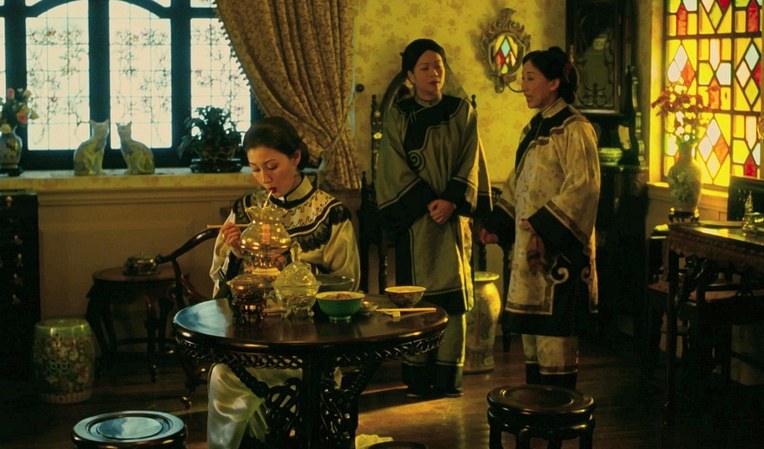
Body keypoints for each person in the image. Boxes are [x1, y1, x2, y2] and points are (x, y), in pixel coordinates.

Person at [207, 116, 361, 448]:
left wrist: (291, 267)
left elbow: (346, 286)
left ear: (296, 158)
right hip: (255, 338)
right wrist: (234, 251)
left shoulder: (329, 213)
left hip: (309, 345)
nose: (264, 178)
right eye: (255, 168)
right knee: (225, 371)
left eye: (272, 166)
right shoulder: (246, 209)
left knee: (226, 376)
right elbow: (222, 286)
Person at [376, 38, 491, 398]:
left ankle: (446, 380)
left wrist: (452, 201)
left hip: (453, 223)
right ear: (410, 75)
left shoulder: (461, 111)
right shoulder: (397, 114)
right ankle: (417, 378)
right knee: (416, 299)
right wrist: (429, 202)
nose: (433, 73)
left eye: (438, 66)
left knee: (454, 301)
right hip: (416, 222)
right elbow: (392, 165)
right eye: (424, 67)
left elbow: (471, 160)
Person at [480, 46, 600, 389]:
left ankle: (558, 410)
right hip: (528, 251)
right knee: (532, 344)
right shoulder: (532, 129)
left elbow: (585, 187)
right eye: (523, 78)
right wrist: (498, 224)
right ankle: (534, 409)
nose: (523, 86)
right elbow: (517, 184)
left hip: (560, 254)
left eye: (530, 78)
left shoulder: (576, 129)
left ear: (554, 82)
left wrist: (542, 223)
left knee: (556, 343)